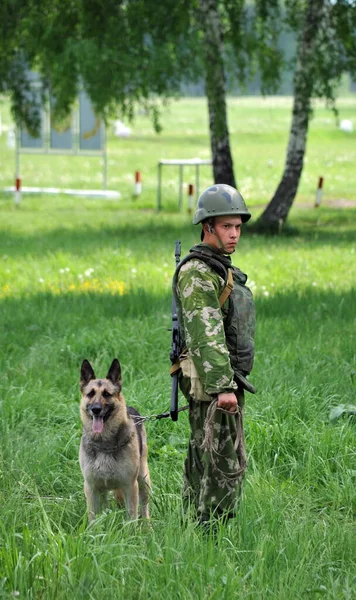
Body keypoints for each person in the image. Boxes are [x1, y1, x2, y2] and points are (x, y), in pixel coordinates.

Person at [172, 183, 256, 525]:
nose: (234, 234)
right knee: (220, 458)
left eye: (237, 226)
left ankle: (193, 523)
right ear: (208, 227)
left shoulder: (218, 268)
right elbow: (206, 335)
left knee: (205, 451)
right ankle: (212, 531)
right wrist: (223, 387)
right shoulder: (197, 273)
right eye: (226, 226)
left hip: (222, 377)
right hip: (212, 381)